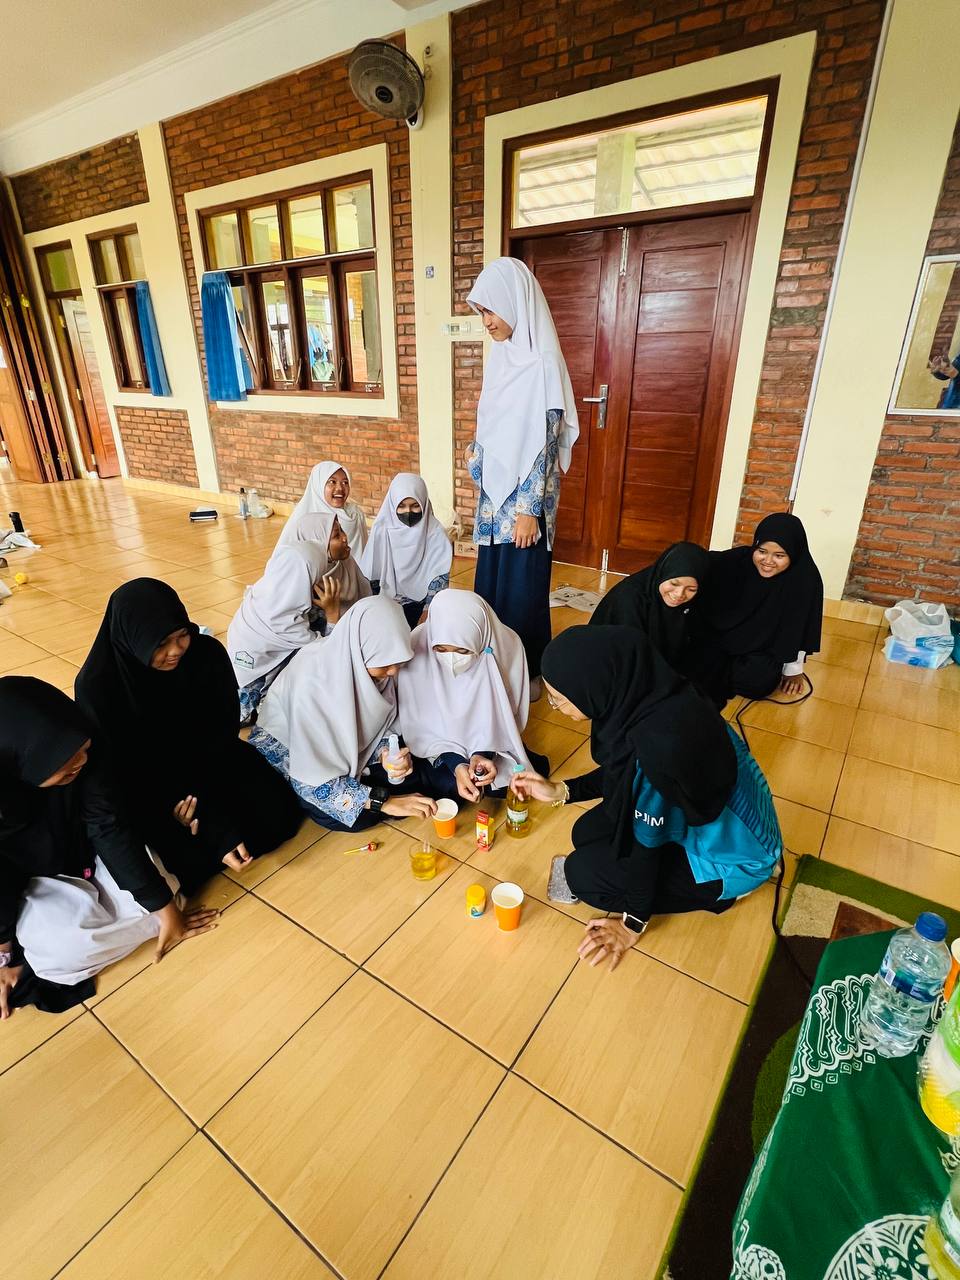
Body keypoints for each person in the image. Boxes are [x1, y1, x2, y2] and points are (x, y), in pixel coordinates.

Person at [511, 626, 782, 973]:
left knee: (583, 875)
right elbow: (625, 772)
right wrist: (562, 791)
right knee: (586, 832)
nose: (556, 707)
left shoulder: (661, 750)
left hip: (736, 859)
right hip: (709, 820)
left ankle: (721, 894)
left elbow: (646, 847)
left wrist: (631, 925)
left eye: (559, 699)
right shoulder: (656, 697)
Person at [0, 677, 218, 1017]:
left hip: (88, 853)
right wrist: (4, 955)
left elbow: (108, 827)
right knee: (62, 950)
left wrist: (164, 910)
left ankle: (152, 921)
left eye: (83, 750)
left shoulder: (86, 749)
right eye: (62, 763)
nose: (81, 762)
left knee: (162, 896)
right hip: (31, 882)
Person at [75, 579, 303, 893]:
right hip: (149, 786)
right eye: (160, 644)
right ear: (133, 639)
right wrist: (184, 809)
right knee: (180, 859)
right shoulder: (98, 687)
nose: (175, 651)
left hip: (210, 761)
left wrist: (208, 808)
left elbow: (220, 735)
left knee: (279, 813)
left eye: (182, 635)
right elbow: (122, 769)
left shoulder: (205, 654)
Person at [466, 256, 579, 691]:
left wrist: (530, 510)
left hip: (524, 510)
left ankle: (528, 674)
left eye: (490, 310)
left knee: (522, 594)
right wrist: (476, 454)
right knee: (492, 590)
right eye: (481, 313)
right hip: (493, 508)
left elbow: (545, 445)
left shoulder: (542, 364)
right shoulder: (500, 360)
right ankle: (493, 669)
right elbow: (496, 431)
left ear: (515, 302)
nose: (487, 322)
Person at [251, 595, 438, 831]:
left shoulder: (370, 667)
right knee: (350, 817)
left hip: (341, 754)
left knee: (414, 776)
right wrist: (385, 802)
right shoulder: (313, 684)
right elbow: (311, 774)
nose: (392, 672)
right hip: (293, 756)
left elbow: (378, 725)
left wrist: (385, 753)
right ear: (361, 650)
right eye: (385, 664)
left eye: (398, 662)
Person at [397, 589, 549, 803]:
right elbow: (420, 722)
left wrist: (482, 754)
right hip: (437, 746)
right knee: (447, 785)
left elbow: (504, 714)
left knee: (507, 784)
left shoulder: (506, 646)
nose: (451, 660)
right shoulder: (418, 646)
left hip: (490, 740)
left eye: (462, 652)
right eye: (440, 649)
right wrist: (457, 763)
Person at [684, 513, 824, 706]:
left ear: (793, 553)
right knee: (686, 665)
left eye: (779, 555)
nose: (768, 561)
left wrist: (793, 670)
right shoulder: (739, 560)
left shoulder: (804, 579)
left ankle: (725, 668)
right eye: (762, 551)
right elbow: (695, 561)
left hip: (763, 647)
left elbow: (799, 627)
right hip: (721, 635)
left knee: (757, 684)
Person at [226, 541, 327, 723]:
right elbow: (325, 651)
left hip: (242, 670)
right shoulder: (283, 620)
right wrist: (334, 613)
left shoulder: (269, 590)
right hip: (246, 686)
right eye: (314, 577)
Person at [590, 541, 711, 670]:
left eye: (691, 589)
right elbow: (629, 655)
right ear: (663, 573)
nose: (679, 594)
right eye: (674, 584)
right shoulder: (630, 597)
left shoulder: (692, 601)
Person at [359, 473, 453, 628]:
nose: (408, 512)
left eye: (415, 506)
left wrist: (429, 610)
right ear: (392, 504)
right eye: (401, 506)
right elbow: (371, 573)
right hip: (385, 604)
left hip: (421, 606)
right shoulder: (381, 529)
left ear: (424, 503)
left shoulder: (435, 533)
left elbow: (439, 576)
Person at [272, 511, 372, 630]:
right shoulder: (305, 578)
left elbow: (365, 594)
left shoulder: (346, 562)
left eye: (342, 530)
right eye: (336, 536)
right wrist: (332, 612)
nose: (345, 538)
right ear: (318, 542)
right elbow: (321, 643)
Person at [276, 460, 368, 554]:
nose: (340, 488)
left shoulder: (355, 514)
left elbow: (365, 553)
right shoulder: (304, 520)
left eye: (345, 482)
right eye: (332, 482)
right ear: (318, 484)